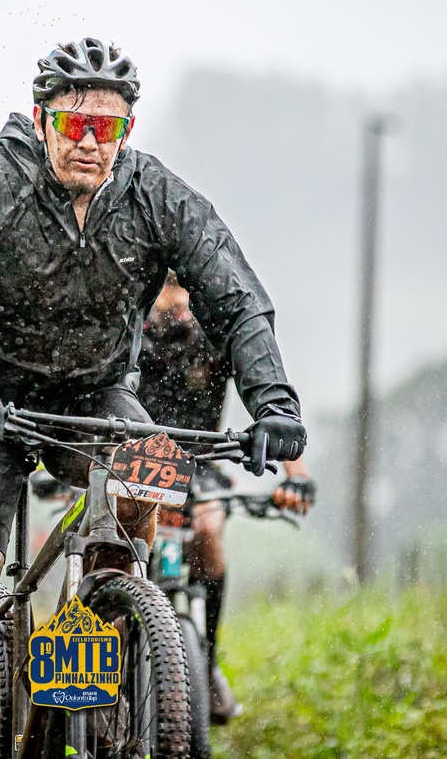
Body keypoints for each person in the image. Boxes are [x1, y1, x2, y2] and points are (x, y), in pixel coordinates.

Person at [0, 38, 307, 759]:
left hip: (95, 396)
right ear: (40, 119)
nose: (88, 142)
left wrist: (275, 404)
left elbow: (238, 299)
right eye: (73, 123)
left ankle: (94, 651)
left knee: (149, 481)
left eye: (105, 128)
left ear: (125, 132)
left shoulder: (155, 195)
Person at [139, 274, 316, 723]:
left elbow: (267, 396)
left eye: (184, 297)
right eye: (167, 296)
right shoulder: (133, 336)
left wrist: (296, 474)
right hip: (137, 460)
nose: (178, 308)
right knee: (125, 547)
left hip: (201, 464)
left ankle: (208, 663)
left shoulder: (214, 338)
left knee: (209, 532)